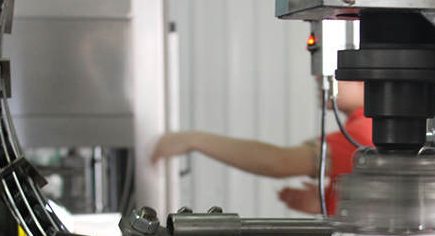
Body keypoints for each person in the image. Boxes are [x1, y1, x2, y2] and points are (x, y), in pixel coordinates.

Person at [150, 81, 372, 215]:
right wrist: (329, 205)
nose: (318, 76)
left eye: (336, 69)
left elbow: (279, 162)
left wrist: (194, 140)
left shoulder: (360, 133)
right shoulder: (368, 126)